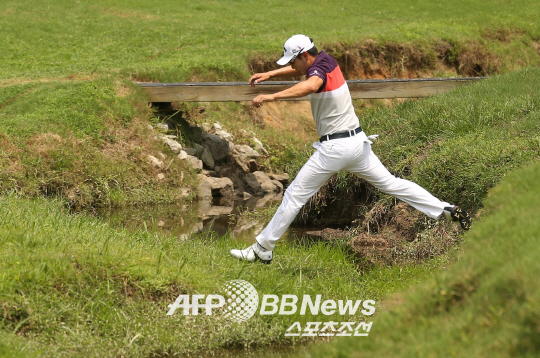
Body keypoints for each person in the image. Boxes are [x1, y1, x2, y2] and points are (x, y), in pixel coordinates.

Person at [230, 34, 471, 264]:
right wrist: (271, 73)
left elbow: (311, 84)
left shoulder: (315, 74)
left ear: (304, 55)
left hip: (334, 149)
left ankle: (262, 250)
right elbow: (304, 71)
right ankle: (445, 210)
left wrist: (272, 97)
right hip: (358, 144)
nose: (294, 66)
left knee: (294, 196)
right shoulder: (326, 60)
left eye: (294, 60)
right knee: (392, 183)